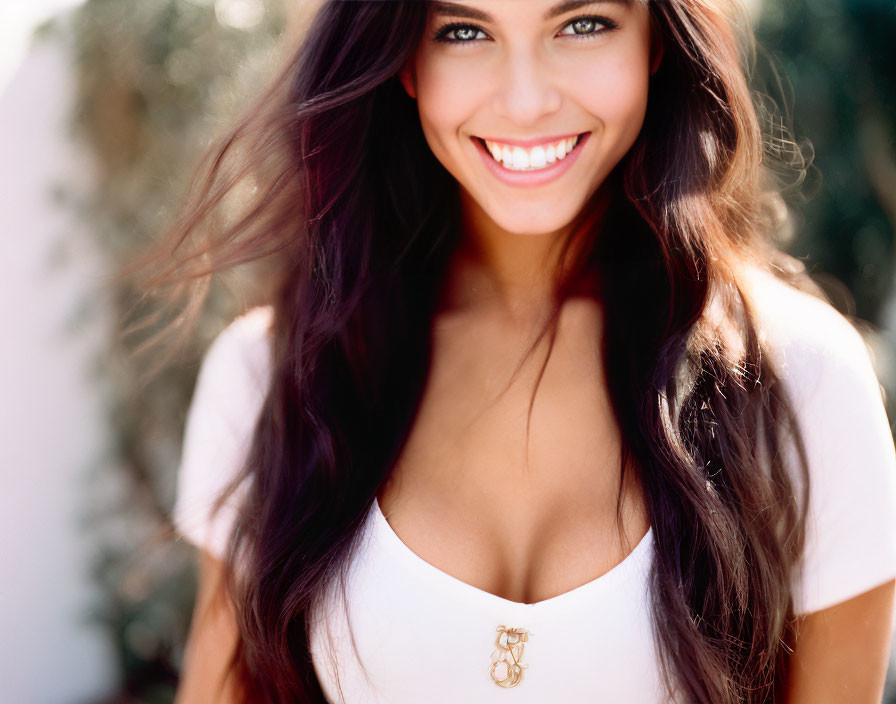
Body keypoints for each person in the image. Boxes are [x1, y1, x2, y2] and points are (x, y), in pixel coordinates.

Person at [143, 1, 896, 702]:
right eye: (464, 31)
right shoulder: (273, 375)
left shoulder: (805, 385)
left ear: (656, 39)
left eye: (583, 23)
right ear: (403, 57)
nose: (526, 99)